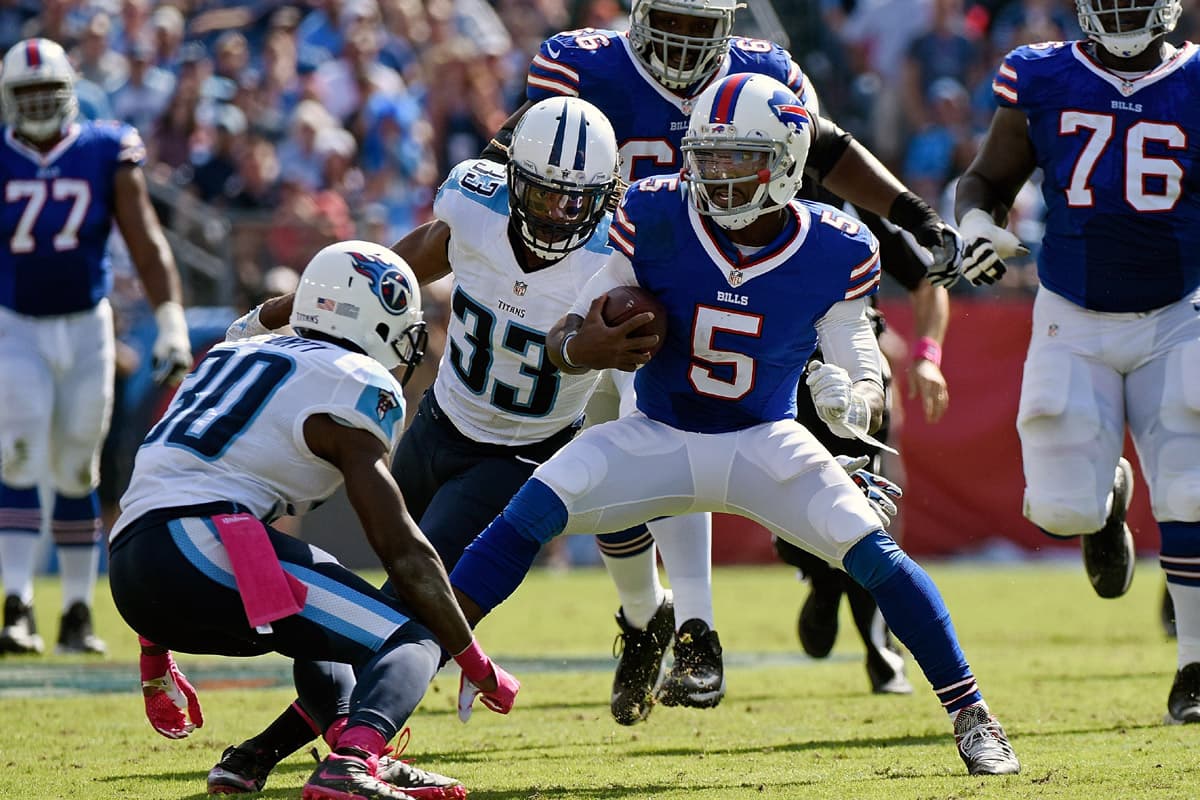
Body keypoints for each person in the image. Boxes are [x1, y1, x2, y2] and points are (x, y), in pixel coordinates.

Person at [449, 72, 1020, 777]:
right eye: (705, 156)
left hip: (764, 440)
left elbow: (857, 345)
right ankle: (433, 664)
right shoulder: (655, 213)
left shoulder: (837, 244)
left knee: (871, 551)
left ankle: (973, 716)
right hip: (656, 431)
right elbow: (582, 321)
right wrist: (576, 345)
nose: (712, 175)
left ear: (784, 162)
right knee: (528, 510)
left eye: (733, 160)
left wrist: (858, 391)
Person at [203, 96, 625, 795]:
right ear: (512, 177)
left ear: (604, 197)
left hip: (517, 458)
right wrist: (277, 317)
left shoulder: (619, 257)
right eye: (543, 192)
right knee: (376, 605)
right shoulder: (474, 204)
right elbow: (381, 280)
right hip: (436, 427)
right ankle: (324, 749)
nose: (554, 212)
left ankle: (276, 751)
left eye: (572, 200)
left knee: (408, 606)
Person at [109, 240, 519, 800]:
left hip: (133, 567)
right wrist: (473, 658)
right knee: (413, 638)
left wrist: (154, 660)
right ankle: (352, 762)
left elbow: (164, 497)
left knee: (323, 629)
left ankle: (326, 754)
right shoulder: (353, 380)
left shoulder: (230, 352)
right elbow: (401, 549)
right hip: (207, 543)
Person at [954, 0, 1200, 725]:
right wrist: (973, 224)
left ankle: (1193, 665)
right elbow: (986, 180)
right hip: (1073, 313)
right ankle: (1105, 507)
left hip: (1179, 312)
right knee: (1060, 507)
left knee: (1191, 491)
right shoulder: (1043, 75)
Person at [0, 38, 192, 656]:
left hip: (87, 325)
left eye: (45, 94)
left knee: (79, 464)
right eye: (23, 96)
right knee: (19, 455)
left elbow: (145, 237)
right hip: (17, 324)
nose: (35, 108)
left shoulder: (106, 147)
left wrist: (170, 321)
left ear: (70, 94)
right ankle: (16, 603)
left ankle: (78, 611)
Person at [773, 202, 950, 695]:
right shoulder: (731, 200)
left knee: (863, 505)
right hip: (774, 372)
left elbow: (925, 278)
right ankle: (820, 576)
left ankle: (881, 648)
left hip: (853, 375)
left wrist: (927, 355)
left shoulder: (851, 205)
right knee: (788, 511)